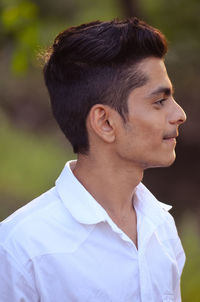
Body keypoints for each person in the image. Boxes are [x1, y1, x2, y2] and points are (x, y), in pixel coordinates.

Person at [0, 17, 186, 302]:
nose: (179, 114)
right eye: (159, 101)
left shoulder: (161, 226)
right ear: (105, 123)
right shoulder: (20, 249)